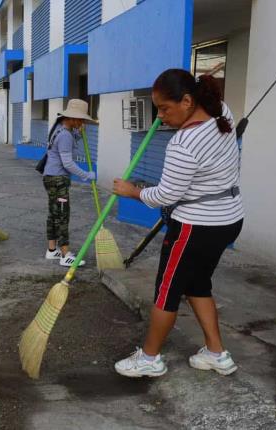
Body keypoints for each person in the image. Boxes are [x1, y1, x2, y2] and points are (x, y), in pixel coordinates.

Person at [111, 70, 244, 378]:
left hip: (194, 227)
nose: (160, 117)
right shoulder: (220, 111)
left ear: (187, 100)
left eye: (164, 108)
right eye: (157, 109)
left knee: (167, 292)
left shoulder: (184, 144)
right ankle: (216, 353)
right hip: (228, 220)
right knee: (198, 283)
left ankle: (149, 358)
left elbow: (165, 195)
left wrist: (131, 191)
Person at [41, 99, 96, 267]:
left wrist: (79, 133)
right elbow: (68, 164)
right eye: (80, 119)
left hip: (50, 177)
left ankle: (52, 250)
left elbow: (66, 144)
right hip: (58, 181)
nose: (82, 122)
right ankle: (65, 254)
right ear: (71, 118)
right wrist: (86, 174)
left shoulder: (59, 130)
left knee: (54, 214)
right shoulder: (65, 135)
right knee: (63, 216)